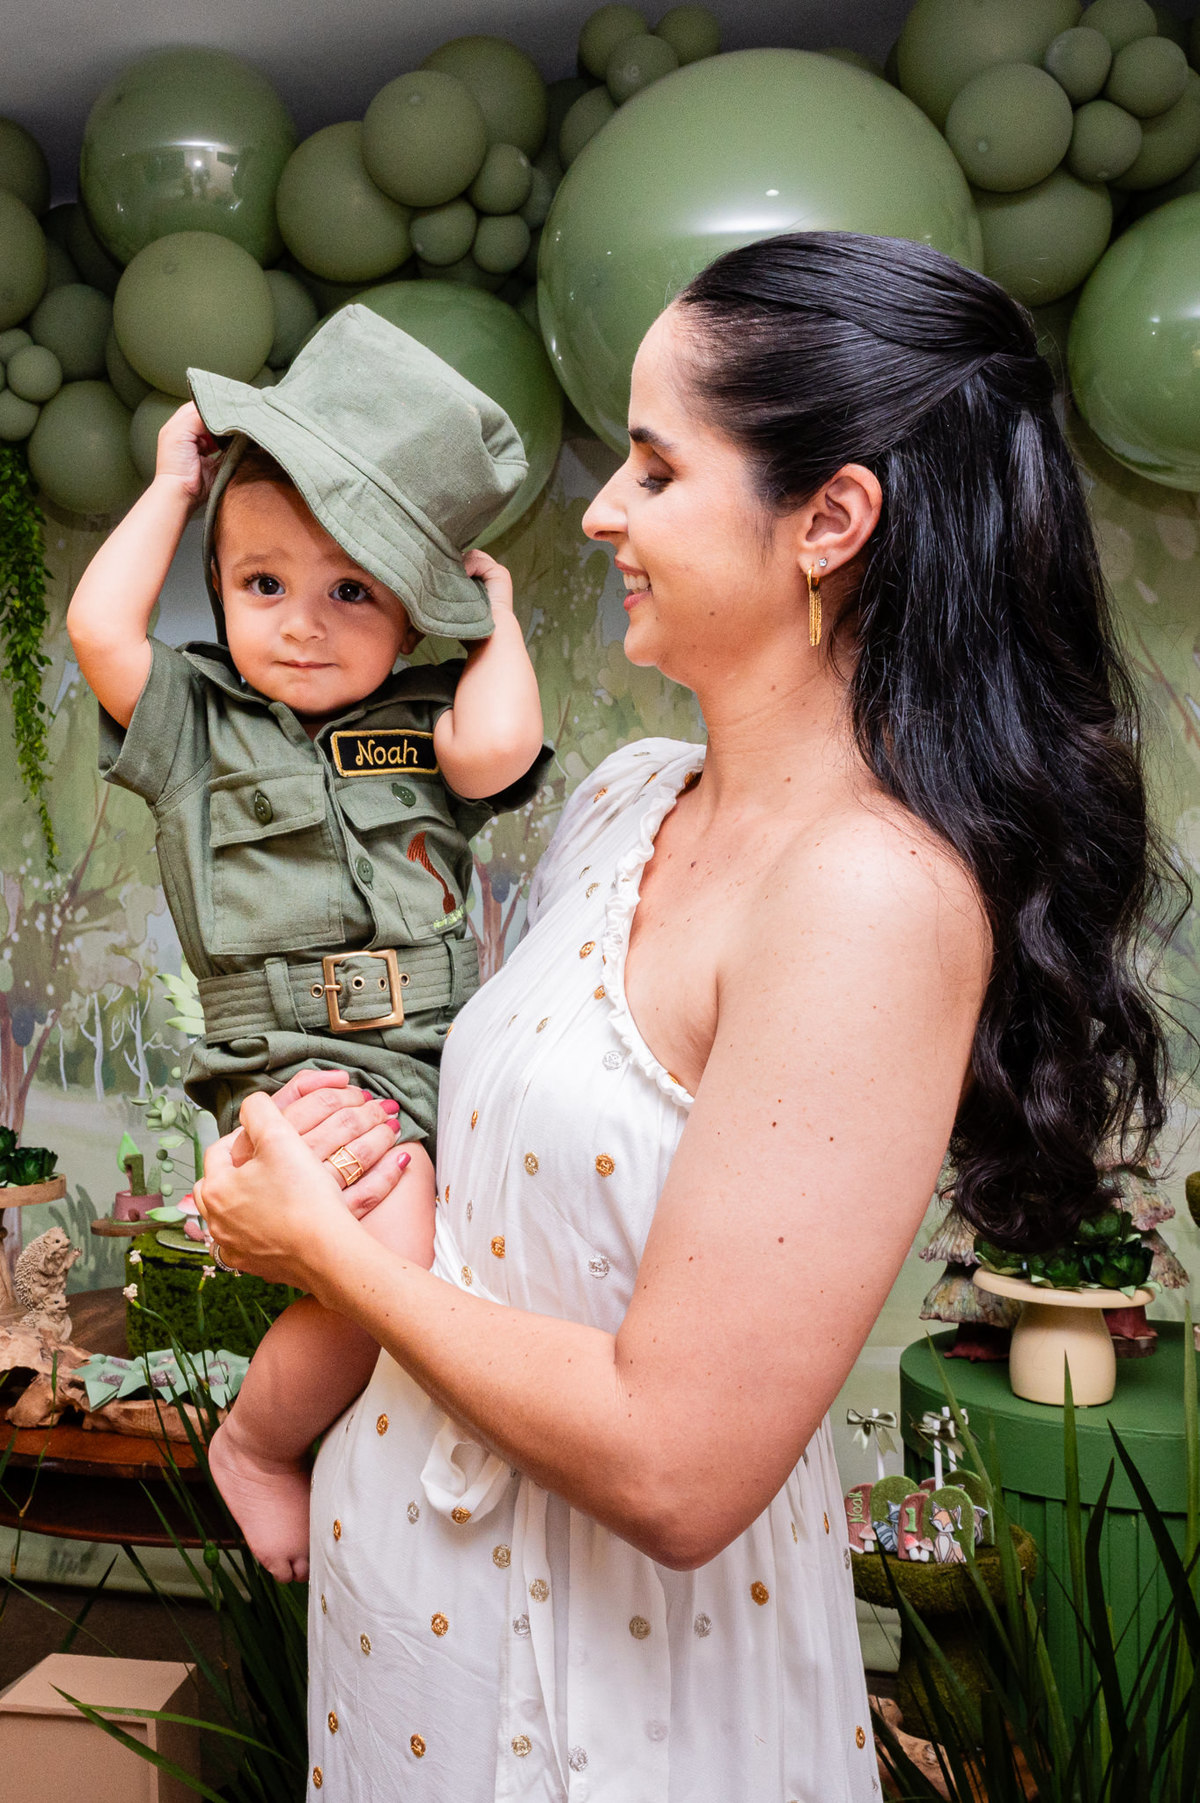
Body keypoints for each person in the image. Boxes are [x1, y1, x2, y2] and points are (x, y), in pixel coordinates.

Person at [194, 233, 1172, 1802]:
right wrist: (330, 1144)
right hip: (413, 1640)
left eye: (655, 467)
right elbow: (501, 1194)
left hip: (606, 1704)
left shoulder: (869, 895)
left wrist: (326, 1251)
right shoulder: (628, 796)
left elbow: (678, 1463)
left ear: (829, 519)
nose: (603, 511)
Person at [66, 306, 549, 1581]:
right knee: (389, 1261)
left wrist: (495, 617)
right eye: (262, 584)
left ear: (415, 613)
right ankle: (257, 1445)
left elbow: (501, 750)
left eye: (352, 591)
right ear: (220, 589)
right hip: (290, 1056)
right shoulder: (197, 721)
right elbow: (100, 633)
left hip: (443, 1052)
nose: (303, 623)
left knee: (475, 1264)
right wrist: (173, 490)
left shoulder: (429, 720)